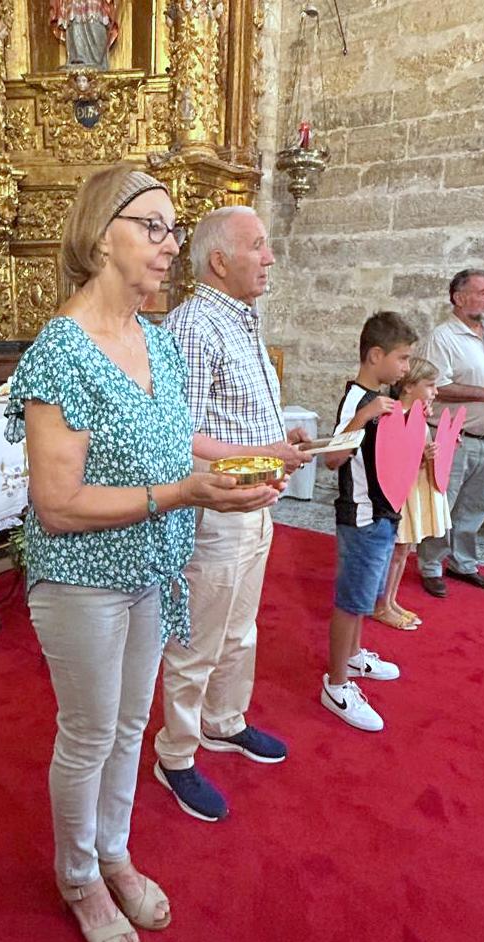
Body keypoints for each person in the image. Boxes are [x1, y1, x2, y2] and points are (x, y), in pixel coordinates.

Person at [4, 164, 280, 942]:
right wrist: (185, 492)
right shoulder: (62, 350)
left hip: (151, 566)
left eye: (171, 229)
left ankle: (113, 849)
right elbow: (57, 503)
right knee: (89, 732)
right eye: (152, 227)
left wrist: (250, 461)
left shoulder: (154, 338)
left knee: (130, 724)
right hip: (82, 577)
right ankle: (77, 875)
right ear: (101, 236)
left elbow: (175, 437)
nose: (169, 245)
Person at [153, 206, 312, 824]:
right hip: (216, 508)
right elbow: (182, 436)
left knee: (241, 630)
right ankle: (176, 754)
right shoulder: (195, 325)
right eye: (259, 246)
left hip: (254, 500)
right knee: (197, 640)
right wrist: (262, 454)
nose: (270, 257)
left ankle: (223, 720)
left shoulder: (240, 318)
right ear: (220, 261)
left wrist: (278, 439)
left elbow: (232, 417)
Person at [321, 312, 417, 733]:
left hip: (381, 514)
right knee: (350, 601)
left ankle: (354, 656)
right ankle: (336, 684)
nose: (406, 368)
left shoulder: (378, 398)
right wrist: (364, 416)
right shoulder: (357, 401)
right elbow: (332, 458)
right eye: (402, 358)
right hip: (359, 516)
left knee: (364, 597)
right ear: (376, 355)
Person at [415, 269, 484, 596]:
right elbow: (436, 387)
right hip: (451, 436)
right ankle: (431, 566)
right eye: (482, 292)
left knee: (475, 506)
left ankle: (463, 563)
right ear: (459, 298)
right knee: (441, 503)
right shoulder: (442, 338)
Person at [372, 357, 451, 631]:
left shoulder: (418, 415)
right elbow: (391, 460)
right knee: (395, 550)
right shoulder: (392, 417)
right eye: (429, 385)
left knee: (404, 549)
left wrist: (437, 450)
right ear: (407, 387)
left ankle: (390, 600)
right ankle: (381, 605)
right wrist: (421, 456)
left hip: (414, 486)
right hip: (400, 490)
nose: (435, 391)